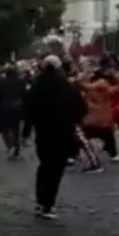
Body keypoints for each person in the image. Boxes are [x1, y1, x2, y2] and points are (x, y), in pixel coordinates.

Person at [25, 55, 85, 219]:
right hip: (62, 133)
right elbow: (81, 107)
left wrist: (27, 131)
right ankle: (47, 203)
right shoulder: (66, 86)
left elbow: (28, 109)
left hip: (43, 133)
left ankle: (40, 201)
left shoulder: (37, 86)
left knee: (44, 167)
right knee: (56, 169)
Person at [80, 61, 119, 163]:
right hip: (105, 120)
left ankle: (73, 155)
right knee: (109, 137)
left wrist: (84, 72)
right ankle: (113, 154)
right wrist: (117, 77)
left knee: (81, 138)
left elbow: (78, 83)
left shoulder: (89, 88)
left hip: (90, 119)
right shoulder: (109, 89)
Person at [0, 67, 27, 160]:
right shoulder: (21, 82)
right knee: (16, 129)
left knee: (4, 128)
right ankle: (16, 147)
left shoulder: (1, 83)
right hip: (17, 107)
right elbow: (24, 94)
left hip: (5, 107)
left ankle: (9, 146)